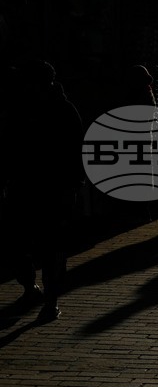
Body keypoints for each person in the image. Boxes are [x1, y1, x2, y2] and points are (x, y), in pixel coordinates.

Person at [2, 60, 83, 321]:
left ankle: (50, 300)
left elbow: (74, 153)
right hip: (24, 187)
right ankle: (31, 288)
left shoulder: (63, 110)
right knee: (17, 243)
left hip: (53, 188)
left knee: (50, 248)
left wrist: (72, 187)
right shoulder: (20, 109)